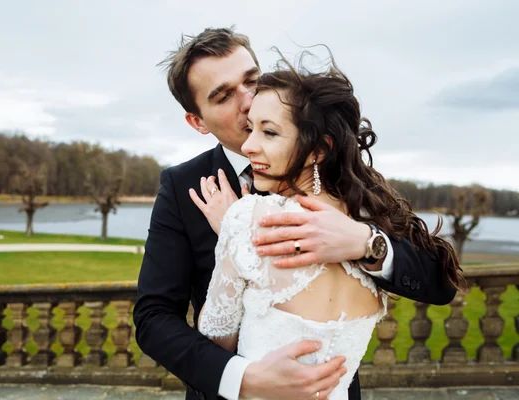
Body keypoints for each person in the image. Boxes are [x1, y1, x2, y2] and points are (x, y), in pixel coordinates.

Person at [133, 27, 459, 400]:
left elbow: (440, 282)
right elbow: (153, 319)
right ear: (198, 121)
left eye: (251, 80)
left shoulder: (341, 171)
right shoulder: (184, 186)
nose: (247, 101)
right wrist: (242, 378)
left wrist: (365, 243)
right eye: (223, 96)